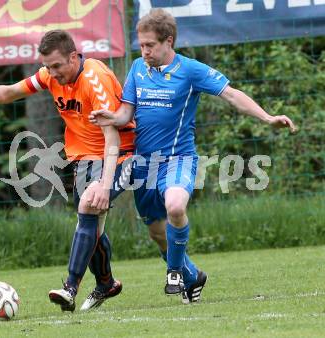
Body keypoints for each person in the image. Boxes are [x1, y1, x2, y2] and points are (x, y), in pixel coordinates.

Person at [89, 9, 297, 303]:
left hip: (179, 160)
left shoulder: (191, 70)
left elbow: (232, 94)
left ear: (168, 41)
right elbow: (126, 113)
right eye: (142, 44)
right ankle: (192, 276)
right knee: (157, 234)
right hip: (144, 166)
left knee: (175, 206)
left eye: (150, 45)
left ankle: (173, 272)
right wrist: (112, 116)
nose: (144, 50)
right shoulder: (137, 68)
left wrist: (267, 117)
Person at [0, 30, 136, 312]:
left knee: (89, 208)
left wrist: (104, 184)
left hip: (121, 153)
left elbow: (112, 138)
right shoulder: (50, 75)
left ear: (74, 57)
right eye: (47, 66)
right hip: (85, 159)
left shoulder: (94, 79)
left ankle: (70, 288)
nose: (51, 72)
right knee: (92, 225)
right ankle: (106, 283)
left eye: (57, 66)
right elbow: (11, 92)